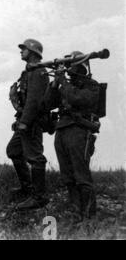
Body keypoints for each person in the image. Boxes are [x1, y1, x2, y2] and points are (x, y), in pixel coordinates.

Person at [43, 52, 101, 220]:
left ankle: (89, 217)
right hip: (62, 130)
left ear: (81, 67)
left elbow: (76, 99)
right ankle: (76, 213)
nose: (69, 70)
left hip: (79, 130)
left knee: (81, 175)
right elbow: (47, 104)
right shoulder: (66, 85)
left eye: (72, 66)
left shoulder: (91, 86)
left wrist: (62, 81)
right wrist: (54, 84)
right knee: (68, 176)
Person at [6, 39, 50, 210]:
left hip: (31, 122)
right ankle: (28, 187)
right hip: (24, 120)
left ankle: (39, 197)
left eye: (23, 49)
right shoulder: (28, 71)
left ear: (32, 51)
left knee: (35, 157)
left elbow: (34, 100)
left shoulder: (38, 71)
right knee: (14, 151)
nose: (21, 51)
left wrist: (24, 122)